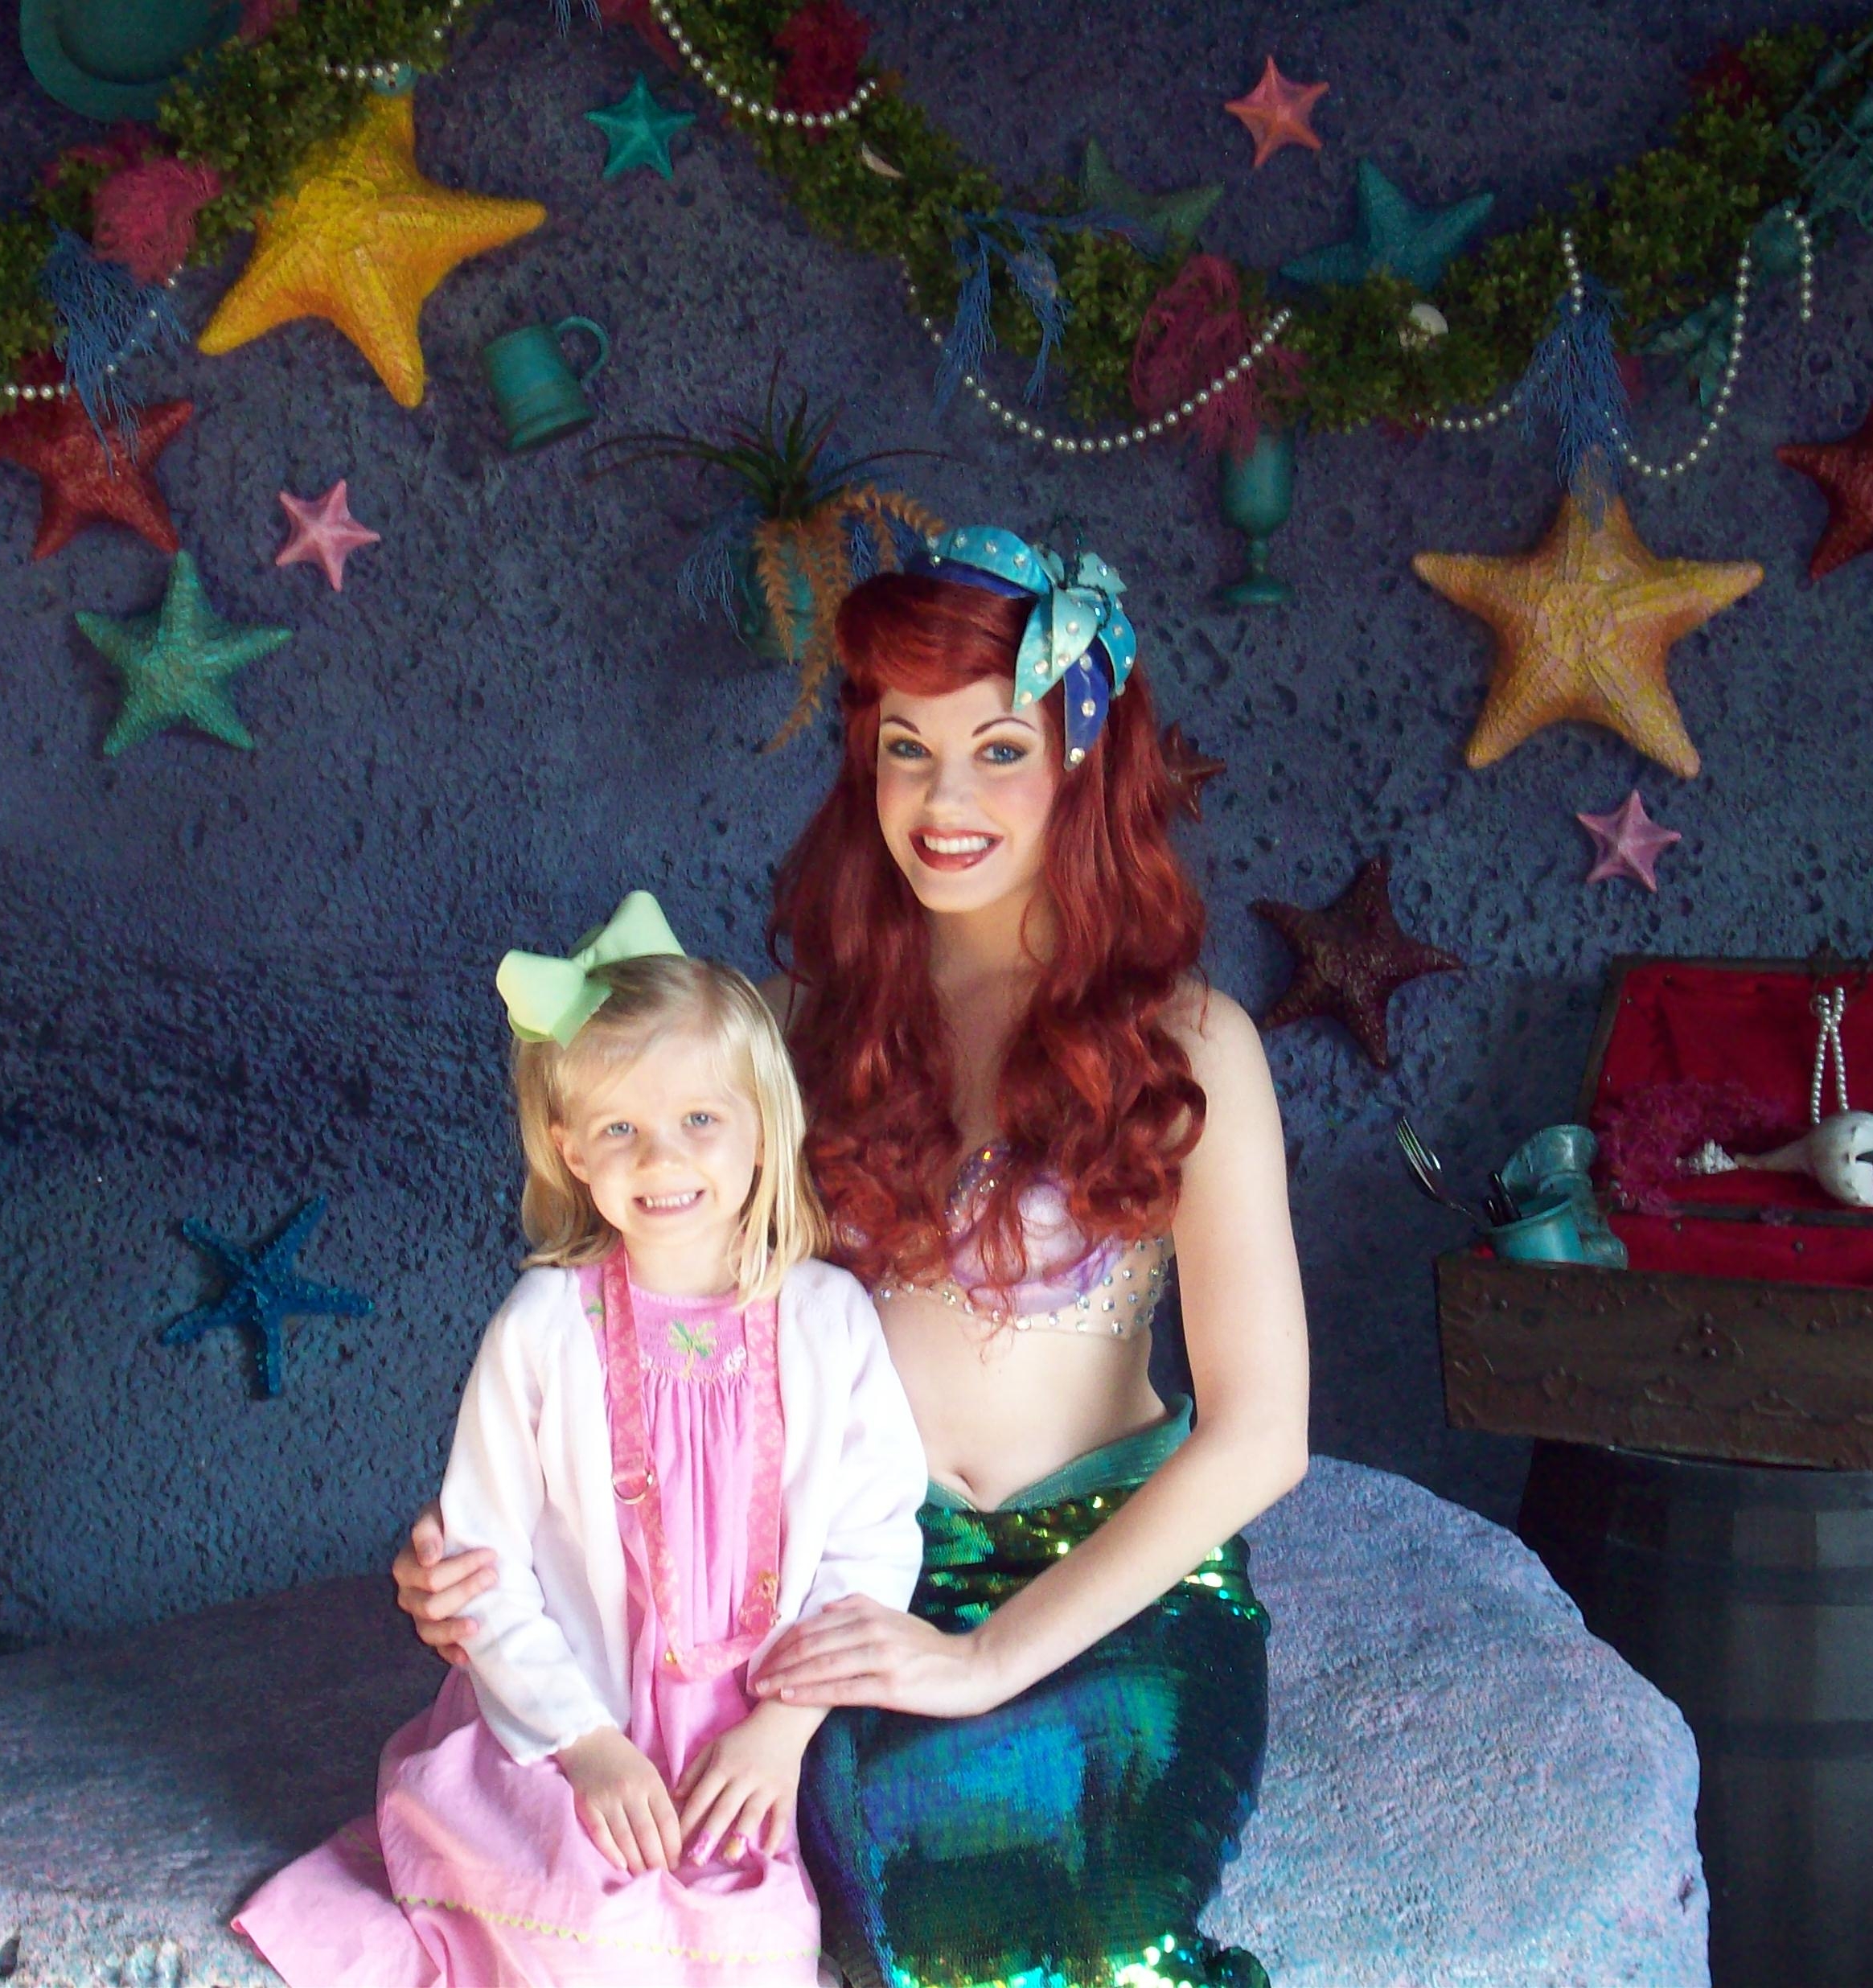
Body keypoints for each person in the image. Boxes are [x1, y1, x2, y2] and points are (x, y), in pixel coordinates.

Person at [396, 528, 1312, 1988]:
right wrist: (477, 1553)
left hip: (1105, 1583)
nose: (943, 801)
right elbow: (623, 1331)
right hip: (823, 1587)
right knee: (818, 1898)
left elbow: (1265, 1437)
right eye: (905, 749)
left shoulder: (1195, 1047)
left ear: (1085, 762)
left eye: (998, 747)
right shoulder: (778, 1036)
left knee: (1089, 1936)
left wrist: (986, 1659)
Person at [236, 894, 927, 1988]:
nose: (664, 1158)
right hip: (577, 1724)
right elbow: (482, 1570)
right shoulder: (543, 1328)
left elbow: (873, 1541)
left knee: (753, 1942)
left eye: (702, 1120)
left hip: (755, 1731)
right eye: (620, 1130)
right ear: (570, 1150)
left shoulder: (830, 1319)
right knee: (592, 1930)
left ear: (764, 1123)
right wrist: (589, 1749)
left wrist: (781, 1733)